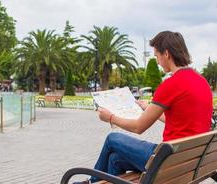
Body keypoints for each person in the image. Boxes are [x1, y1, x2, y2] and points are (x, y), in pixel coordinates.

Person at [74, 31, 213, 184]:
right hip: (186, 162)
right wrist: (148, 108)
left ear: (166, 53)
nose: (158, 61)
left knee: (112, 138)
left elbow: (139, 127)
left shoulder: (171, 84)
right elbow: (182, 120)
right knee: (115, 159)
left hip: (166, 161)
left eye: (156, 56)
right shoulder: (202, 82)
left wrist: (111, 118)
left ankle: (91, 181)